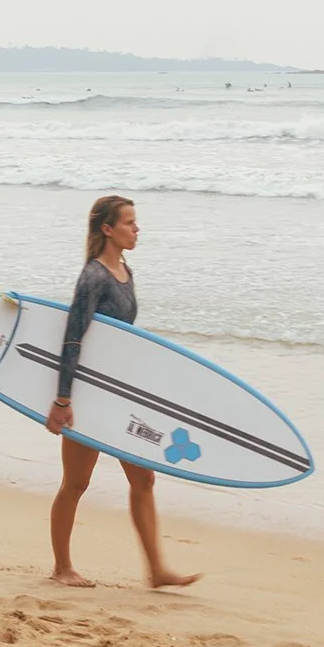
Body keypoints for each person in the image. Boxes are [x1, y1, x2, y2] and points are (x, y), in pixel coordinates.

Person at [45, 194, 201, 592]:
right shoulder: (93, 277)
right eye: (129, 223)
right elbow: (72, 339)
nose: (137, 228)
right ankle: (62, 567)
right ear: (107, 229)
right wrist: (63, 400)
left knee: (144, 479)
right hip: (88, 395)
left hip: (118, 394)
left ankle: (157, 570)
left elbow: (119, 341)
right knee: (76, 483)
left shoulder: (124, 271)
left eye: (135, 222)